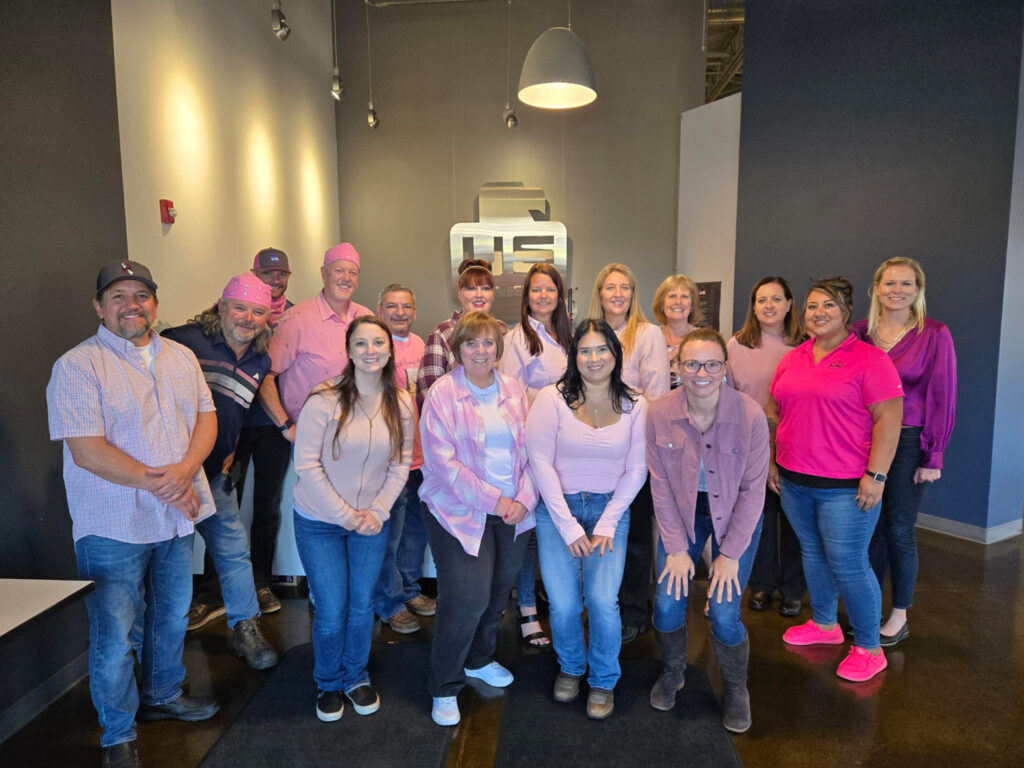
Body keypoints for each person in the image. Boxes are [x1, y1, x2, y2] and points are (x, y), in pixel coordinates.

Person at [46, 260, 220, 768]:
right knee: (115, 633)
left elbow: (206, 419)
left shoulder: (182, 357)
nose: (131, 305)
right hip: (112, 523)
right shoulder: (78, 365)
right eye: (118, 296)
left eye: (141, 295)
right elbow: (88, 451)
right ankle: (117, 733)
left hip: (174, 518)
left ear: (155, 304)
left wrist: (185, 470)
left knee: (169, 617)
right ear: (99, 307)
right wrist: (166, 483)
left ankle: (163, 695)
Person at [767, 277, 903, 684]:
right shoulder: (794, 357)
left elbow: (889, 420)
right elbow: (776, 410)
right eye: (811, 306)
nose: (818, 313)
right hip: (794, 479)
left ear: (846, 312)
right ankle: (825, 625)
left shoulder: (870, 359)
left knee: (848, 562)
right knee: (812, 552)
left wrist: (876, 476)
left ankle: (868, 647)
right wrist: (774, 461)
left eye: (827, 305)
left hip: (846, 487)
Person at [292, 316, 414, 722]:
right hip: (320, 521)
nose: (370, 351)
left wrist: (376, 512)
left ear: (389, 349)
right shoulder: (323, 399)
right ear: (348, 351)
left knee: (362, 606)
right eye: (360, 344)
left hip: (370, 523)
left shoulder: (401, 401)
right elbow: (306, 465)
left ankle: (355, 677)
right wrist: (347, 516)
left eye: (378, 343)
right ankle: (328, 682)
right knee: (332, 608)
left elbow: (400, 465)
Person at [418, 311, 536, 727]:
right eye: (471, 343)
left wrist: (523, 497)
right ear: (458, 349)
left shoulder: (516, 390)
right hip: (457, 511)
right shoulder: (442, 394)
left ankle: (479, 659)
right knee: (466, 596)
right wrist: (497, 501)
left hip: (514, 510)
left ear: (498, 349)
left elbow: (535, 452)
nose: (481, 350)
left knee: (497, 589)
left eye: (488, 343)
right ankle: (444, 684)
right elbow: (442, 465)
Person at [525, 319, 647, 719]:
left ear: (616, 354)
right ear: (574, 356)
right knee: (561, 605)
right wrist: (568, 525)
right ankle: (572, 667)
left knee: (601, 601)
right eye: (585, 350)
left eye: (602, 350)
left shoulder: (636, 404)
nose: (594, 358)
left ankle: (603, 679)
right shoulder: (551, 398)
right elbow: (539, 461)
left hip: (610, 509)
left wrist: (609, 521)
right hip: (558, 511)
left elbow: (636, 469)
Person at [647, 329, 767, 733]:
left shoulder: (750, 415)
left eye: (712, 364)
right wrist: (677, 548)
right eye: (692, 363)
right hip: (681, 512)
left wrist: (729, 555)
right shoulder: (660, 412)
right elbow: (659, 486)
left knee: (723, 610)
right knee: (666, 602)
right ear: (678, 367)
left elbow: (753, 492)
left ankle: (736, 688)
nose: (702, 372)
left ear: (724, 367)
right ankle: (673, 671)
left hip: (735, 515)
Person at [162, 274, 280, 670]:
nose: (248, 318)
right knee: (169, 562)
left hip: (213, 476)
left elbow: (235, 412)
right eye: (240, 308)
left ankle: (244, 628)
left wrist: (229, 450)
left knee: (234, 552)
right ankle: (161, 648)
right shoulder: (184, 340)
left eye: (258, 311)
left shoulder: (261, 359)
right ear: (222, 306)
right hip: (168, 476)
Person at [852, 258, 956, 647]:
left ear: (918, 290)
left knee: (898, 527)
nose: (897, 290)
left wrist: (934, 455)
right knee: (869, 526)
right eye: (890, 283)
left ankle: (899, 615)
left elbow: (942, 396)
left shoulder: (934, 334)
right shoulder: (859, 333)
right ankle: (871, 606)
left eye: (907, 284)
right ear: (876, 288)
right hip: (864, 439)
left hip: (910, 441)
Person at [588, 263, 670, 643]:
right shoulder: (589, 333)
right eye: (610, 288)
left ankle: (634, 610)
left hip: (635, 447)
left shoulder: (649, 334)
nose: (617, 294)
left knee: (635, 535)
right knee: (599, 531)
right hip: (593, 449)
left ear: (634, 293)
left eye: (625, 287)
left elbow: (657, 396)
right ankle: (602, 605)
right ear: (600, 294)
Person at [499, 263, 573, 649]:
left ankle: (554, 598)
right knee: (528, 532)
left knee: (558, 524)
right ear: (526, 295)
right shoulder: (516, 339)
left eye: (550, 290)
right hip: (533, 444)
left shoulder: (567, 336)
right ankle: (526, 608)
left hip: (568, 446)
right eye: (536, 290)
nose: (543, 296)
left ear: (560, 296)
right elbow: (511, 394)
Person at [727, 276, 807, 618]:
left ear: (790, 304)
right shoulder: (737, 345)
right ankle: (760, 584)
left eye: (777, 299)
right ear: (753, 306)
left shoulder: (807, 345)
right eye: (762, 300)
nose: (769, 306)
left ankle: (792, 589)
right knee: (756, 518)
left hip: (797, 444)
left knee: (793, 522)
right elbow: (726, 399)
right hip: (749, 446)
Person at [229, 247, 296, 617]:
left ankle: (261, 582)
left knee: (267, 507)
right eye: (268, 274)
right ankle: (217, 587)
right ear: (253, 274)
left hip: (274, 424)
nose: (275, 280)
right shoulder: (235, 314)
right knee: (224, 505)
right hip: (233, 425)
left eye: (281, 274)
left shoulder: (297, 316)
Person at [259, 242, 371, 440]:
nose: (346, 278)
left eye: (353, 273)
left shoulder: (367, 317)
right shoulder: (295, 319)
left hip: (363, 433)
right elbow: (265, 378)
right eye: (339, 271)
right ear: (324, 274)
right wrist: (287, 428)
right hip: (315, 437)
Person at [372, 283, 434, 635]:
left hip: (419, 453)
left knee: (416, 529)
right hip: (388, 456)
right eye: (392, 306)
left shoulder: (422, 345)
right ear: (380, 310)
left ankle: (409, 589)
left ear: (414, 310)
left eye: (406, 306)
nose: (399, 313)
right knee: (389, 534)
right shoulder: (374, 345)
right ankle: (389, 602)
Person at [414, 258, 508, 410]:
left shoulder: (502, 330)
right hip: (455, 422)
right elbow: (428, 392)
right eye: (471, 288)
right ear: (460, 293)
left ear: (492, 294)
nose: (479, 295)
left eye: (485, 288)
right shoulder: (443, 333)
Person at [652, 274, 703, 390]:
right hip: (656, 405)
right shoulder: (649, 338)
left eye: (684, 296)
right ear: (661, 304)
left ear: (692, 306)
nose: (678, 301)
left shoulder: (705, 340)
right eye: (672, 296)